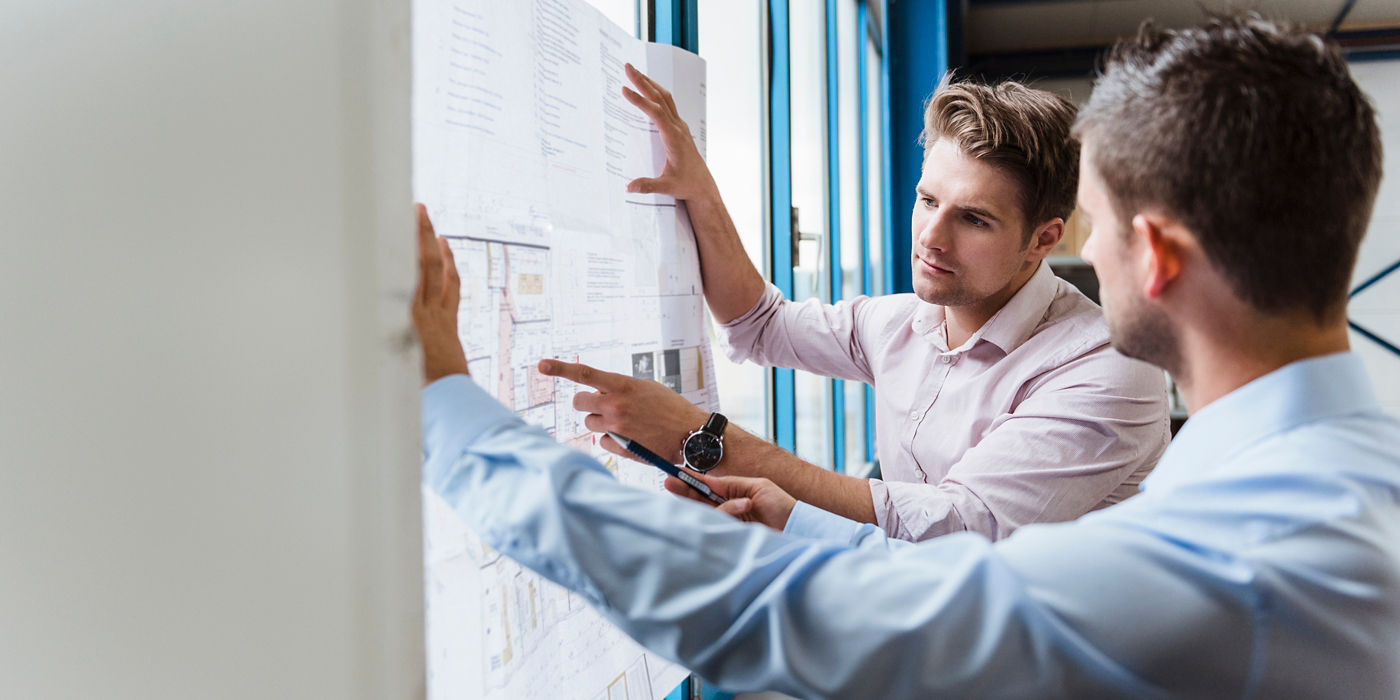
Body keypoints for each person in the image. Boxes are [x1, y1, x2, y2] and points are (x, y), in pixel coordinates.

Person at [417, 15, 1400, 696]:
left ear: (1155, 257)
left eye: (1094, 226)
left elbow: (808, 610)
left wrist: (455, 413)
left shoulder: (1228, 551)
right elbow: (764, 325)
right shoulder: (1324, 478)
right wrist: (796, 517)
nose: (1088, 255)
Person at [538, 67, 1171, 542]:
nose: (931, 237)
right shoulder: (898, 323)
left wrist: (697, 437)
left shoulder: (1108, 367)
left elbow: (960, 525)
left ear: (1043, 240)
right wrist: (701, 193)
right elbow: (761, 324)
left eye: (974, 219)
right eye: (928, 201)